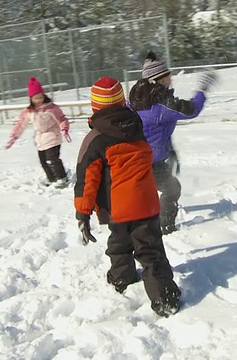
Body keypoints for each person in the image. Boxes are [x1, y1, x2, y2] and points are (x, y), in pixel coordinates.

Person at [74, 76, 181, 317]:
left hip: (118, 208)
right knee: (151, 251)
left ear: (95, 106)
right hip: (146, 202)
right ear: (121, 100)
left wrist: (83, 212)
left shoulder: (95, 139)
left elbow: (86, 180)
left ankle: (121, 280)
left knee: (119, 246)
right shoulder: (136, 126)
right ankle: (165, 297)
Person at [128, 51, 217, 235]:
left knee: (156, 192)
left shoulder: (139, 98)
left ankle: (148, 222)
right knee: (170, 189)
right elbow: (191, 110)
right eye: (168, 75)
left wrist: (170, 149)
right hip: (146, 162)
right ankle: (164, 226)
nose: (172, 78)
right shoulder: (161, 105)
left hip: (143, 159)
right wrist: (203, 90)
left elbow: (159, 130)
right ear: (160, 80)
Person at [5, 77, 71, 188]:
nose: (39, 100)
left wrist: (64, 128)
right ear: (31, 99)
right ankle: (51, 178)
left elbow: (61, 119)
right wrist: (14, 136)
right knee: (43, 161)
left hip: (53, 137)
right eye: (36, 98)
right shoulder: (29, 111)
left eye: (40, 97)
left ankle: (62, 177)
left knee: (53, 159)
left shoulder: (50, 108)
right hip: (40, 140)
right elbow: (21, 124)